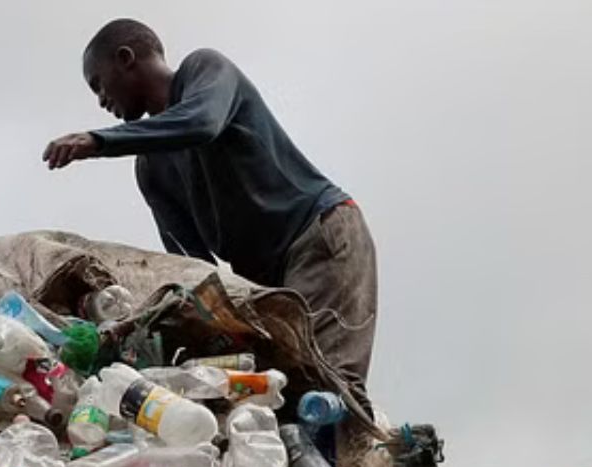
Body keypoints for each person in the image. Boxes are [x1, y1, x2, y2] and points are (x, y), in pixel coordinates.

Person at [43, 19, 378, 391]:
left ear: (126, 59)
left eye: (98, 84)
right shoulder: (152, 169)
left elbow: (201, 123)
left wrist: (99, 141)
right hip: (264, 282)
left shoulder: (205, 71)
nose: (101, 100)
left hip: (317, 237)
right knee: (272, 387)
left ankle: (356, 437)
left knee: (324, 384)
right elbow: (193, 265)